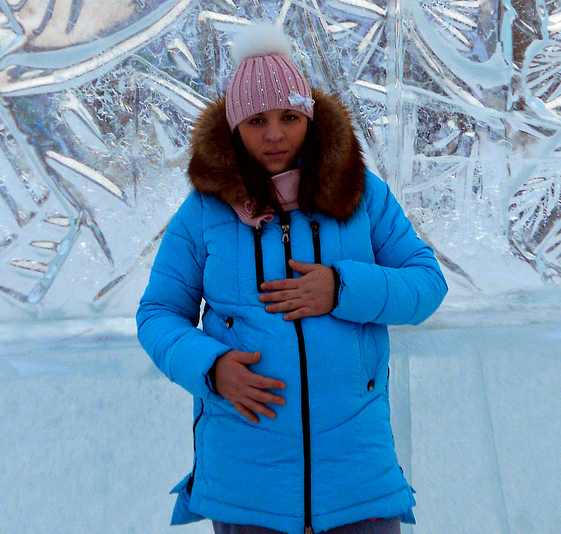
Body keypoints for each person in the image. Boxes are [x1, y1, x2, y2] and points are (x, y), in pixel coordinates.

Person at [137, 22, 448, 534]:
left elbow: (427, 283)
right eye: (257, 120)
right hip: (246, 485)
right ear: (235, 127)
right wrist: (211, 367)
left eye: (289, 117)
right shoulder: (204, 212)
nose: (275, 135)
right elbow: (158, 313)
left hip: (359, 480)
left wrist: (342, 288)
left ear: (310, 116)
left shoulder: (362, 194)